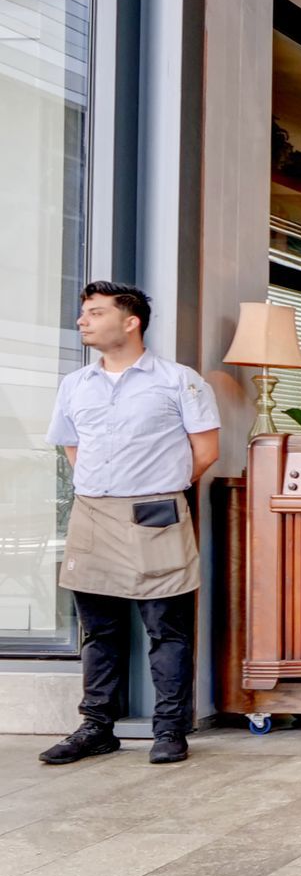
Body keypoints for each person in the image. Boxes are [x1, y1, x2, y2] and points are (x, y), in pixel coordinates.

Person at [41, 282, 221, 766]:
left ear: (130, 321)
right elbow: (72, 447)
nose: (82, 321)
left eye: (95, 313)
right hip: (94, 515)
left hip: (156, 514)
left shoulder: (177, 380)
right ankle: (97, 726)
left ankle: (169, 730)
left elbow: (205, 452)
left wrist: (154, 487)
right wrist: (104, 485)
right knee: (98, 630)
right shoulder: (75, 384)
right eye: (83, 313)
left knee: (167, 630)